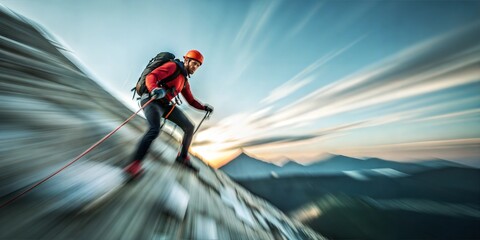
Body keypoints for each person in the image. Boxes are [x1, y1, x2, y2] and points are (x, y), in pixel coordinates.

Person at [124, 50, 213, 177]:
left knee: (189, 127)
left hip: (164, 105)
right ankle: (134, 164)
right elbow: (151, 76)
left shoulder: (184, 81)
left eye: (198, 66)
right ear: (186, 60)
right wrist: (155, 89)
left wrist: (204, 107)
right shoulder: (173, 67)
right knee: (154, 129)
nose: (195, 67)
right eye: (194, 63)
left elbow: (191, 101)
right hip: (151, 99)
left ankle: (182, 157)